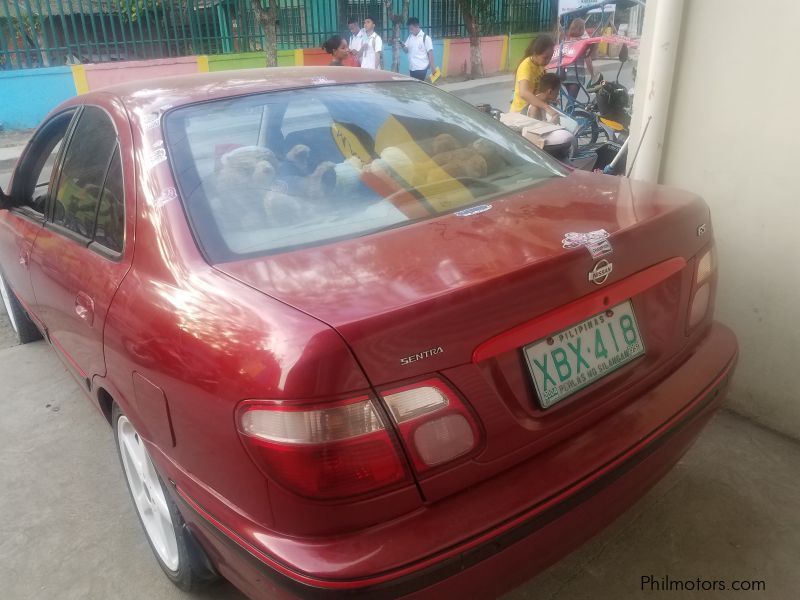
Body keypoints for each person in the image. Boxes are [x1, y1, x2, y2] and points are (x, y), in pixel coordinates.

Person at [509, 34, 560, 123]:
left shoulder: (541, 67)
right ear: (535, 53)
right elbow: (524, 93)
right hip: (521, 113)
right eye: (545, 58)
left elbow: (541, 91)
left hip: (532, 109)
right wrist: (546, 107)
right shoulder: (526, 66)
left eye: (550, 58)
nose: (548, 61)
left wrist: (550, 98)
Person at [560, 18, 596, 98]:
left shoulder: (565, 41)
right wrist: (592, 75)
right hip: (575, 77)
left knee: (570, 99)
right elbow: (587, 59)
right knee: (571, 102)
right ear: (581, 29)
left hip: (564, 75)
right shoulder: (583, 43)